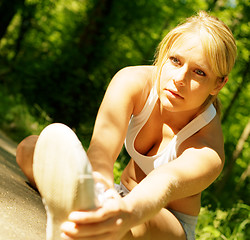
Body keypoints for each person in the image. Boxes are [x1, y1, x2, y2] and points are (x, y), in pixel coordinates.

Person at [16, 11, 237, 240]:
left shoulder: (208, 148)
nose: (179, 78)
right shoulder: (132, 82)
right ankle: (93, 216)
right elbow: (100, 156)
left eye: (199, 72)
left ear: (218, 85)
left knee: (134, 226)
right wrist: (100, 192)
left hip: (162, 222)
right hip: (117, 197)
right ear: (164, 56)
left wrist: (125, 213)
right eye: (175, 60)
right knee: (31, 149)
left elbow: (164, 184)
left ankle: (98, 222)